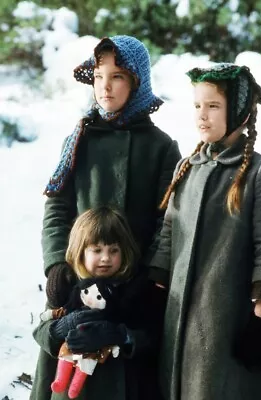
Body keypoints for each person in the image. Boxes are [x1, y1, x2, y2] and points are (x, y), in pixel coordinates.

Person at [31, 34, 181, 400]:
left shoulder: (162, 147)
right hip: (79, 277)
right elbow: (56, 208)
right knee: (67, 356)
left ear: (136, 81)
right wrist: (56, 267)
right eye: (99, 77)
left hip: (134, 286)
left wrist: (150, 276)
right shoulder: (79, 139)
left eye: (116, 77)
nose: (105, 87)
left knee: (127, 371)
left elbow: (169, 219)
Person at [146, 63, 261, 400]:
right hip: (182, 315)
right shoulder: (187, 167)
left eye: (213, 106)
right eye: (197, 106)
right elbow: (169, 229)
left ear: (238, 111)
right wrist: (156, 288)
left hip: (234, 318)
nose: (202, 115)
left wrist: (260, 320)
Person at [32, 206, 165, 400]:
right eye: (97, 250)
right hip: (75, 391)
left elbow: (150, 336)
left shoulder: (135, 289)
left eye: (113, 250)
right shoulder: (69, 286)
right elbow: (41, 331)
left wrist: (119, 335)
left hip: (122, 387)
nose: (105, 258)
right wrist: (63, 327)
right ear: (81, 251)